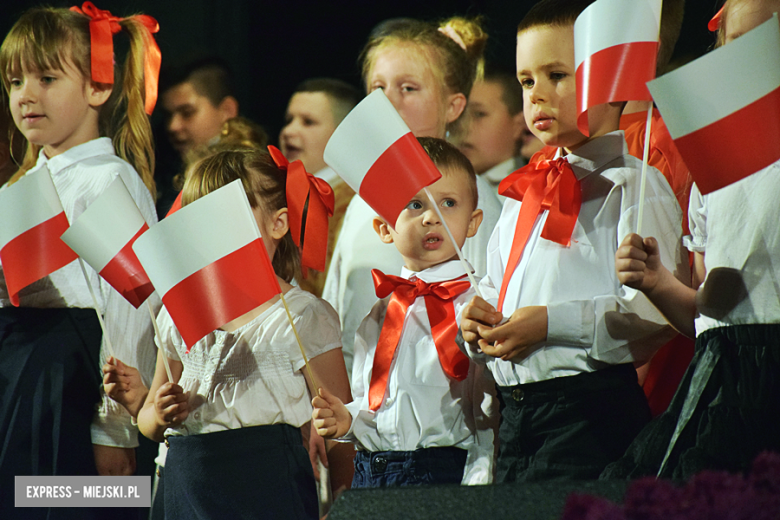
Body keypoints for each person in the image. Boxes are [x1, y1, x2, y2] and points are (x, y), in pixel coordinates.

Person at [459, 0, 688, 482]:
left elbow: (657, 318)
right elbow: (496, 288)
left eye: (557, 75)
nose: (537, 95)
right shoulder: (522, 194)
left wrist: (549, 324)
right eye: (526, 81)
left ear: (610, 80)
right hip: (516, 419)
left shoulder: (633, 186)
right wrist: (478, 323)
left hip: (590, 418)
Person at [602, 0, 780, 481]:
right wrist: (659, 282)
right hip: (722, 379)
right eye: (737, 45)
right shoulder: (713, 168)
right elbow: (707, 315)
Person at [0, 5, 160, 518]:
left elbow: (130, 306)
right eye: (15, 80)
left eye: (47, 78)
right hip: (19, 376)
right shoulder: (21, 187)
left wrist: (115, 427)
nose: (26, 94)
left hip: (72, 385)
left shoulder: (106, 179)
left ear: (98, 88)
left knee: (77, 507)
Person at [136, 149, 352, 519]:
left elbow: (340, 431)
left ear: (278, 223)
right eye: (196, 217)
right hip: (185, 490)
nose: (209, 230)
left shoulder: (301, 316)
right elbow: (147, 420)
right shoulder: (177, 314)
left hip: (266, 492)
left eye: (224, 215)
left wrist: (342, 505)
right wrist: (158, 414)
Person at [322, 16, 502, 375]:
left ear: (453, 106)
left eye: (408, 89)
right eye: (378, 89)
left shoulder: (478, 204)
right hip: (364, 418)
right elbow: (338, 319)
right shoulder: (361, 201)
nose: (387, 103)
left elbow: (493, 318)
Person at [313, 137, 496, 487]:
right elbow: (378, 404)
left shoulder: (479, 307)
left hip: (443, 472)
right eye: (415, 204)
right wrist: (349, 420)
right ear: (384, 228)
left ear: (473, 223)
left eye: (448, 203)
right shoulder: (380, 313)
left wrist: (480, 482)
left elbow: (487, 411)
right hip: (372, 472)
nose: (431, 217)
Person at [280, 78, 362, 297]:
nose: (289, 130)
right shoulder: (280, 195)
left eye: (308, 122)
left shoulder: (352, 204)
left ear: (344, 135)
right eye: (289, 120)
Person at [156, 56, 241, 215]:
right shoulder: (164, 174)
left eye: (187, 113)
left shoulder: (251, 175)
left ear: (227, 110)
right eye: (168, 115)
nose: (172, 126)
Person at [458, 69, 543, 199]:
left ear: (519, 125)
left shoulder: (524, 193)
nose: (464, 126)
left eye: (479, 114)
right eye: (461, 115)